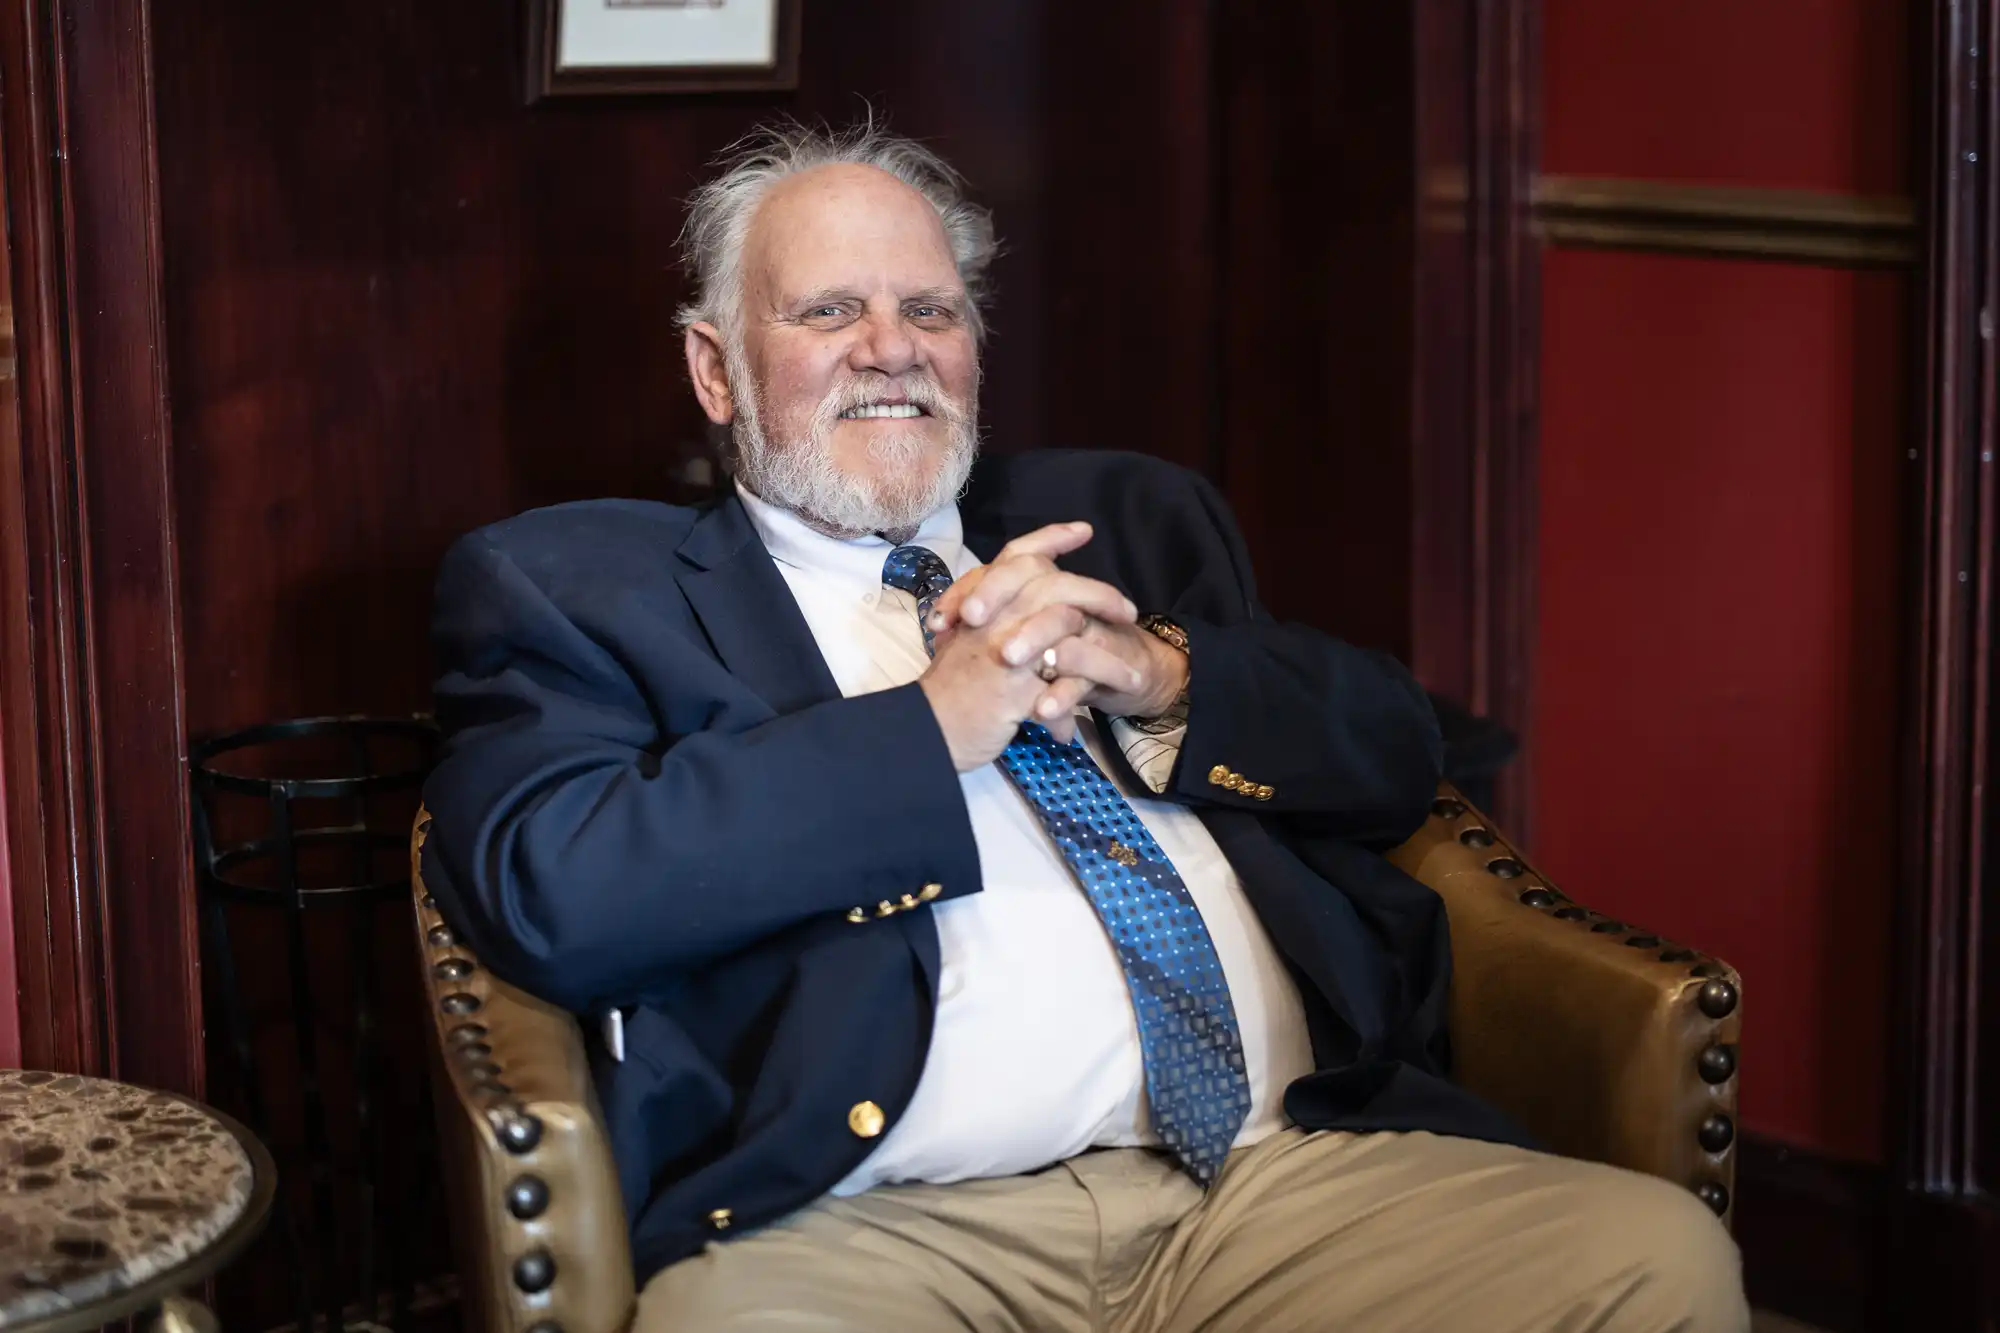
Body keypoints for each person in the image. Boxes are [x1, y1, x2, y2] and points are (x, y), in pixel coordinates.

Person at [421, 120, 1749, 1332]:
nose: (892, 346)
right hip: (870, 1233)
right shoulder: (588, 589)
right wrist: (931, 728)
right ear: (716, 369)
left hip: (1273, 1184)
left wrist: (1166, 676)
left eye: (930, 310)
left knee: (1650, 1255)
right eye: (830, 311)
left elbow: (1398, 756)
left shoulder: (1128, 520)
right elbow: (556, 889)